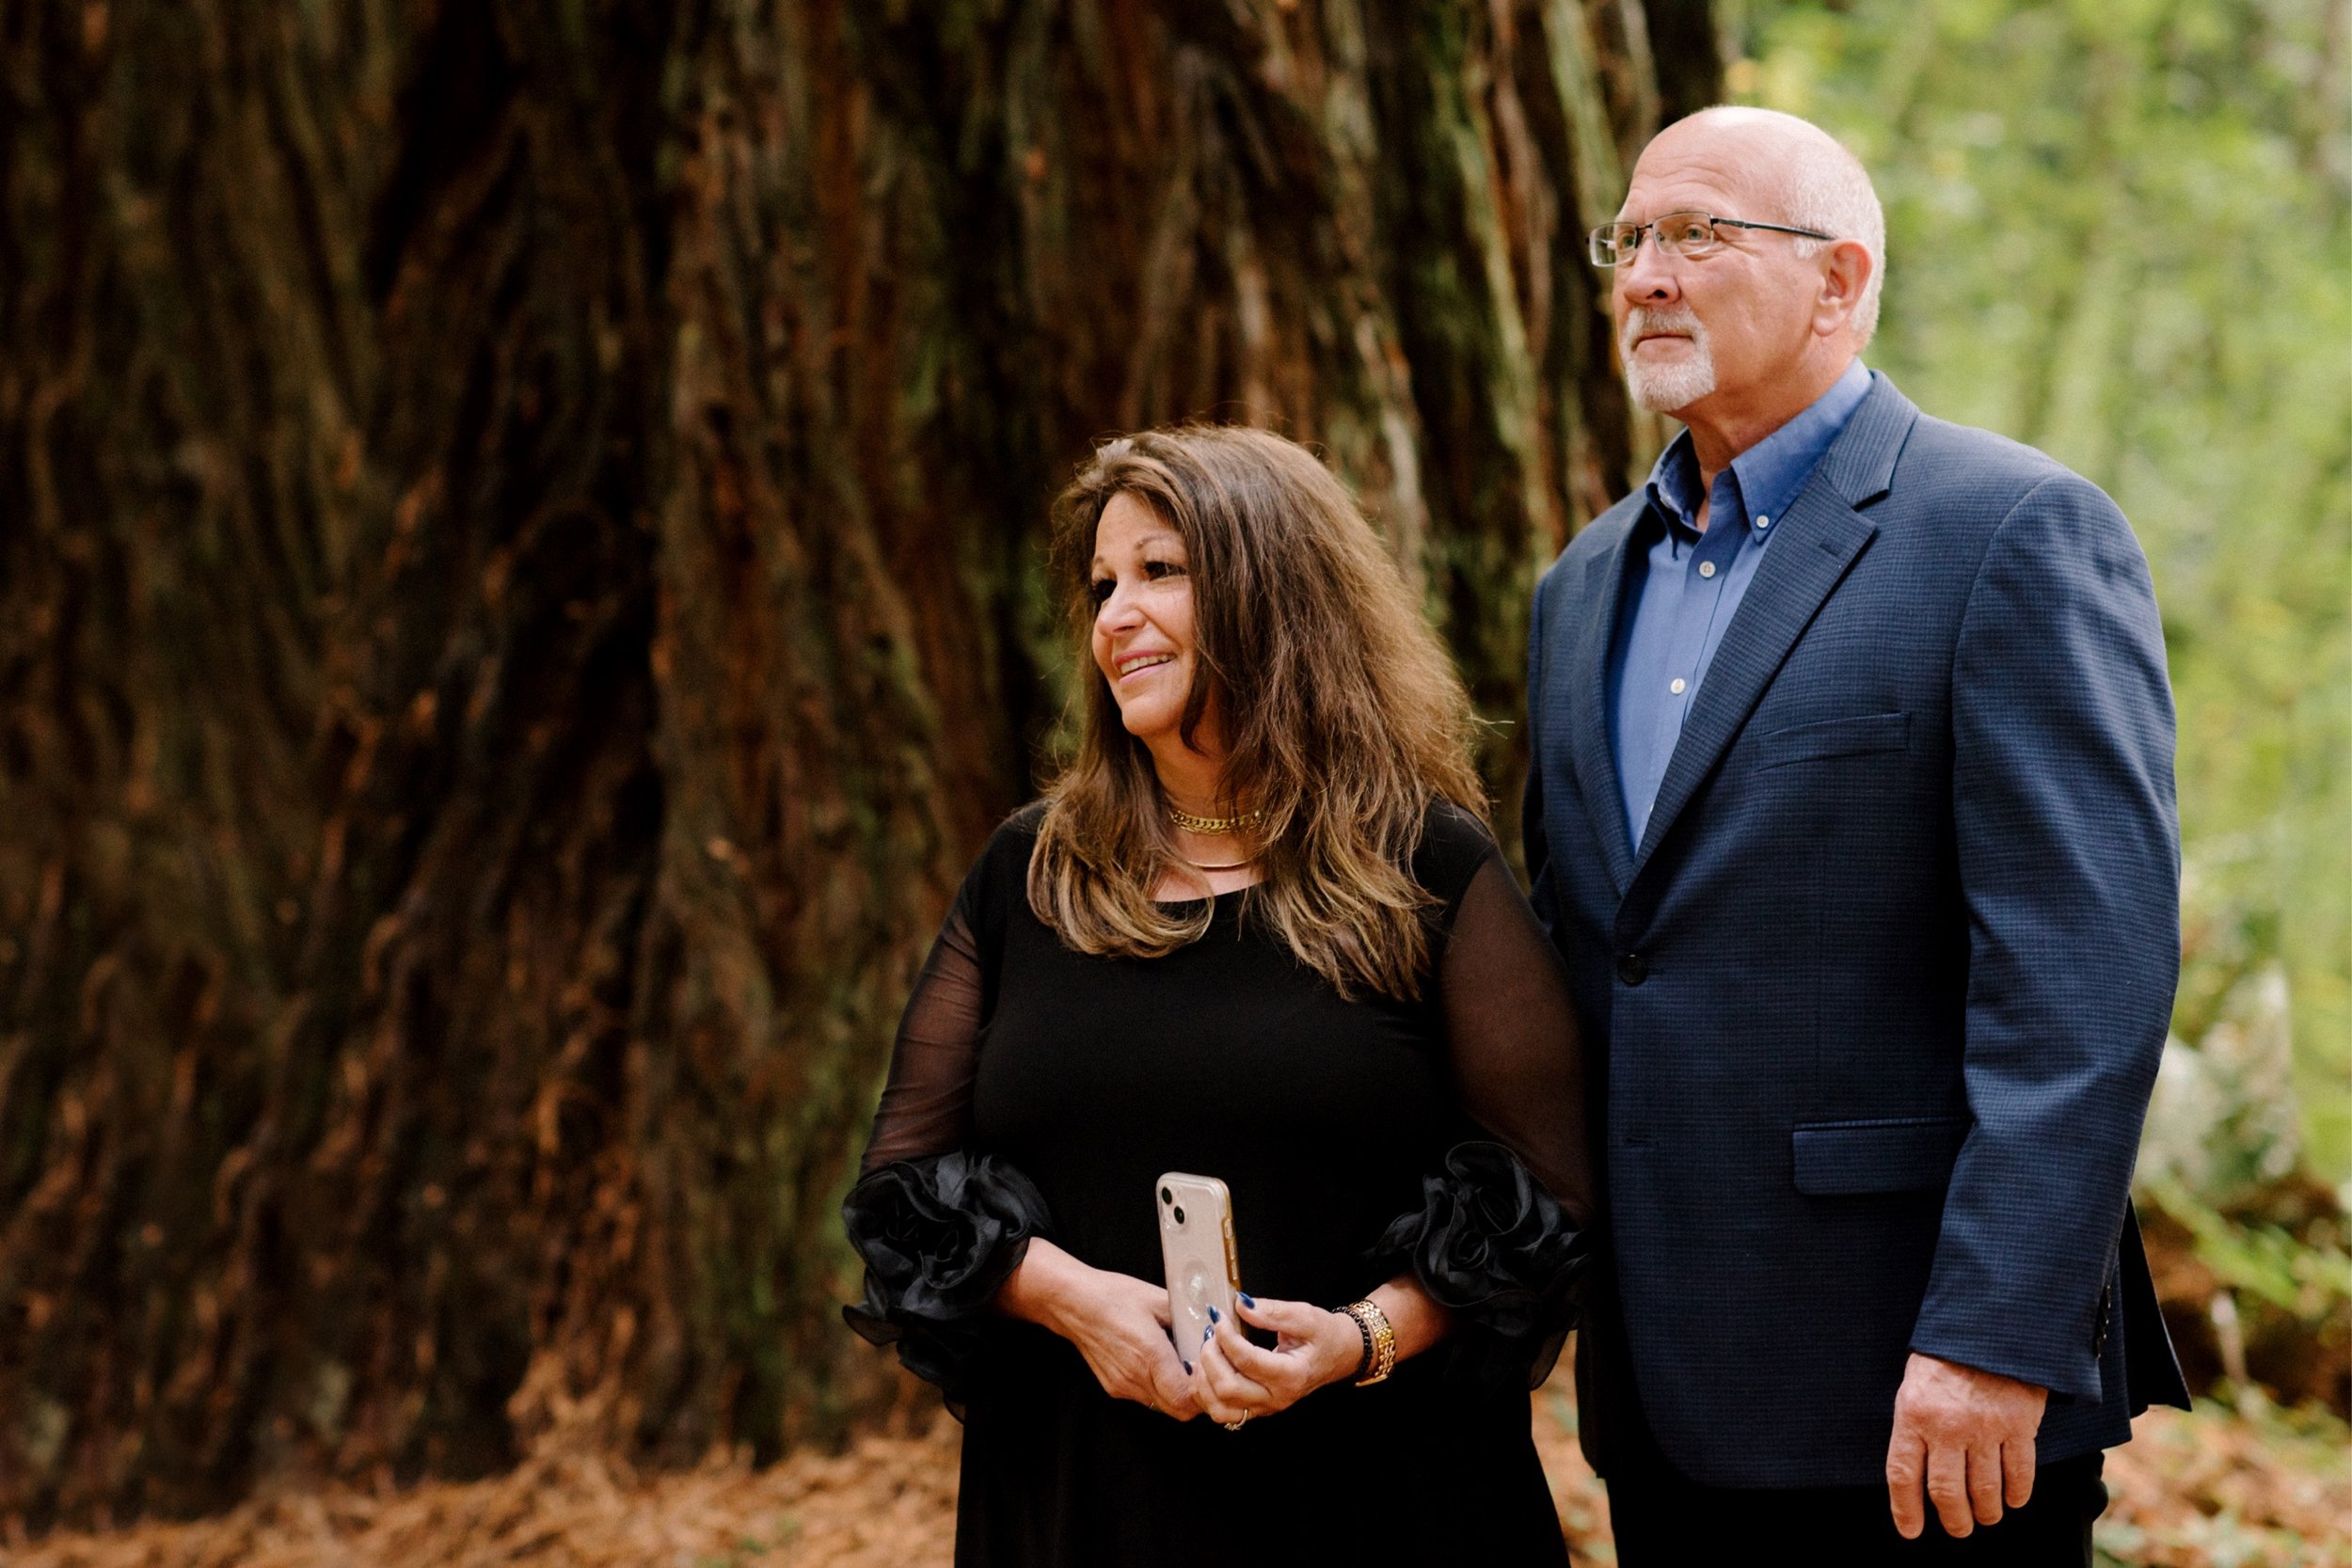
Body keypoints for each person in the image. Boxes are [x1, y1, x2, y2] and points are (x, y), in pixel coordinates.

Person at [1521, 105, 2190, 1563]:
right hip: (1660, 1393)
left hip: (1924, 1399)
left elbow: (2082, 987)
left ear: (1839, 278)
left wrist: (1994, 1336)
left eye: (1698, 233)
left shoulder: (2013, 532)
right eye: (1628, 237)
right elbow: (1592, 962)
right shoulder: (1577, 588)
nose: (1644, 271)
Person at [843, 424, 1594, 1566]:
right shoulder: (1030, 872)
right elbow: (900, 1190)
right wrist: (1069, 1297)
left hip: (1375, 1495)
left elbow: (1545, 1198)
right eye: (1102, 584)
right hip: (1085, 1492)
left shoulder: (1422, 867)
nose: (1113, 616)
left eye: (1159, 571)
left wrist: (1358, 1338)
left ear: (1271, 587)